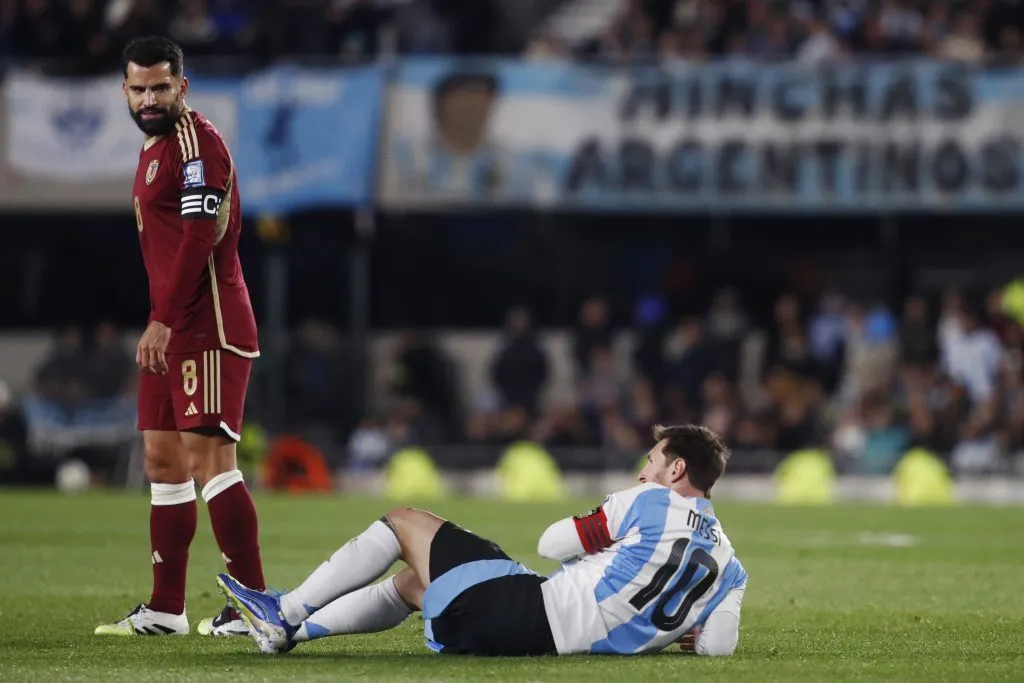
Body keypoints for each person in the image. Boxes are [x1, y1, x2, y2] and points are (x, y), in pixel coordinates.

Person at [218, 424, 747, 656]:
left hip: (526, 611)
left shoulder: (647, 500)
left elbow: (552, 544)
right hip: (534, 643)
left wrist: (609, 539)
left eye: (651, 460)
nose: (642, 470)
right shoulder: (729, 563)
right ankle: (294, 634)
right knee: (411, 584)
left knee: (404, 520)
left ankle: (282, 612)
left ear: (676, 468)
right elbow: (718, 647)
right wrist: (678, 633)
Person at [95, 37, 265, 638]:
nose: (148, 98)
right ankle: (168, 609)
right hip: (171, 326)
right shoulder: (155, 147)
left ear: (182, 87)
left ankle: (252, 606)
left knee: (210, 461)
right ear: (124, 89)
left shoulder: (197, 144)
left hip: (206, 326)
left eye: (160, 88)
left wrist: (164, 319)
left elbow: (200, 238)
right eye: (138, 89)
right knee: (162, 462)